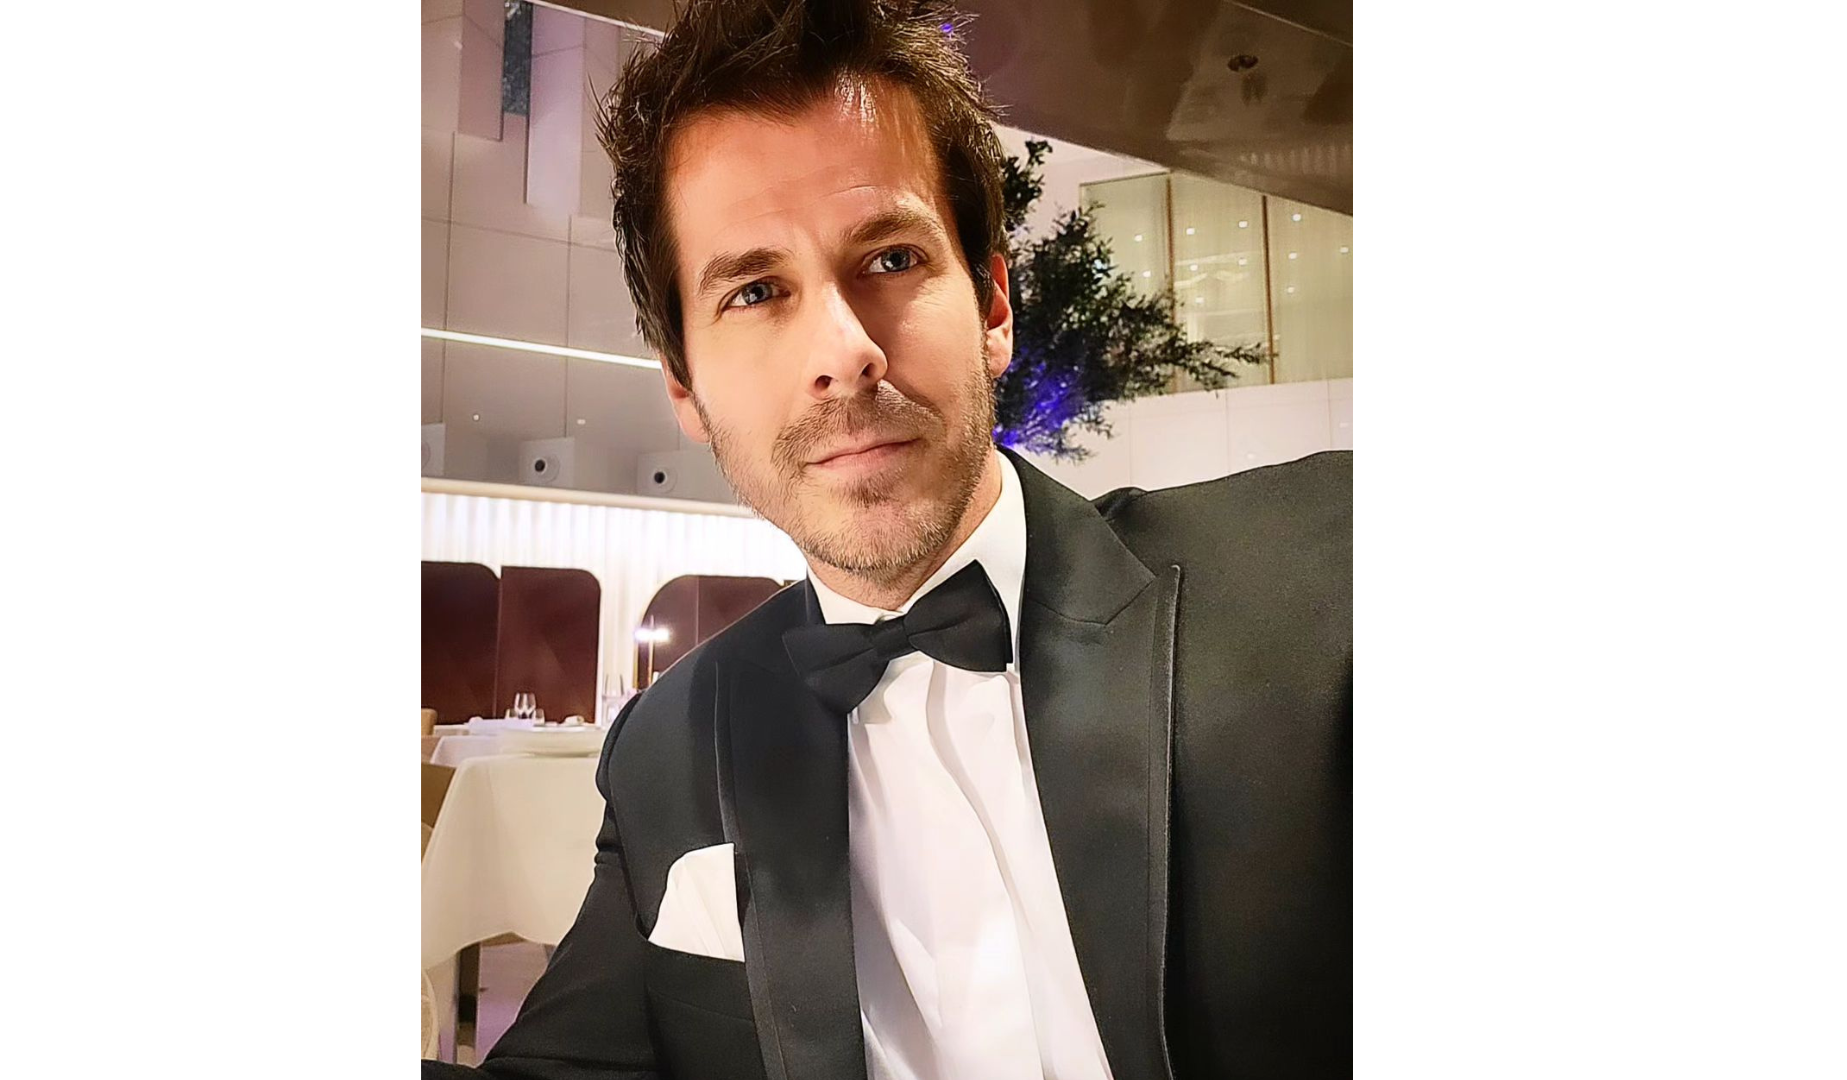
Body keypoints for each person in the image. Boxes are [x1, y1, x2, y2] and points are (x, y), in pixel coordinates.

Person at [424, 0, 1349, 1077]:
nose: (843, 351)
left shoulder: (1325, 579)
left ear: (993, 305)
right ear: (683, 385)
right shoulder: (674, 747)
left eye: (894, 258)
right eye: (755, 291)